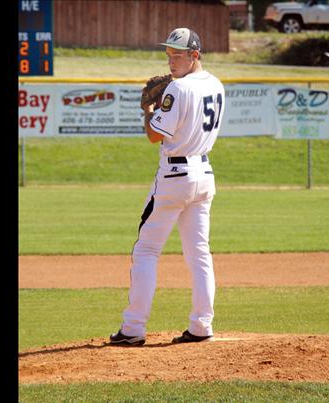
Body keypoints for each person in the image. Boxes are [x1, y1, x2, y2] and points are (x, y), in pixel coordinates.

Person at [110, 28, 225, 346]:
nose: (172, 60)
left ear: (194, 55)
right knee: (199, 252)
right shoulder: (216, 84)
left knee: (146, 250)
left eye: (179, 55)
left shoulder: (179, 87)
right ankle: (202, 325)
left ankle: (133, 328)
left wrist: (148, 112)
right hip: (204, 174)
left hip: (174, 177)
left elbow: (153, 135)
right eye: (169, 55)